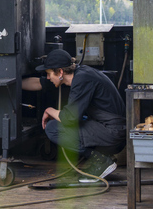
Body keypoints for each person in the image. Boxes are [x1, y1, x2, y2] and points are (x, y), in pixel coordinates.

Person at [22, 48, 126, 182]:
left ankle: (101, 161)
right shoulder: (80, 73)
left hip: (113, 132)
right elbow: (40, 83)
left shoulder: (82, 80)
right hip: (107, 126)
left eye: (48, 73)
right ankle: (103, 158)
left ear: (60, 72)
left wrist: (49, 110)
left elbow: (69, 118)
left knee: (53, 128)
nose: (48, 77)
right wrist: (15, 84)